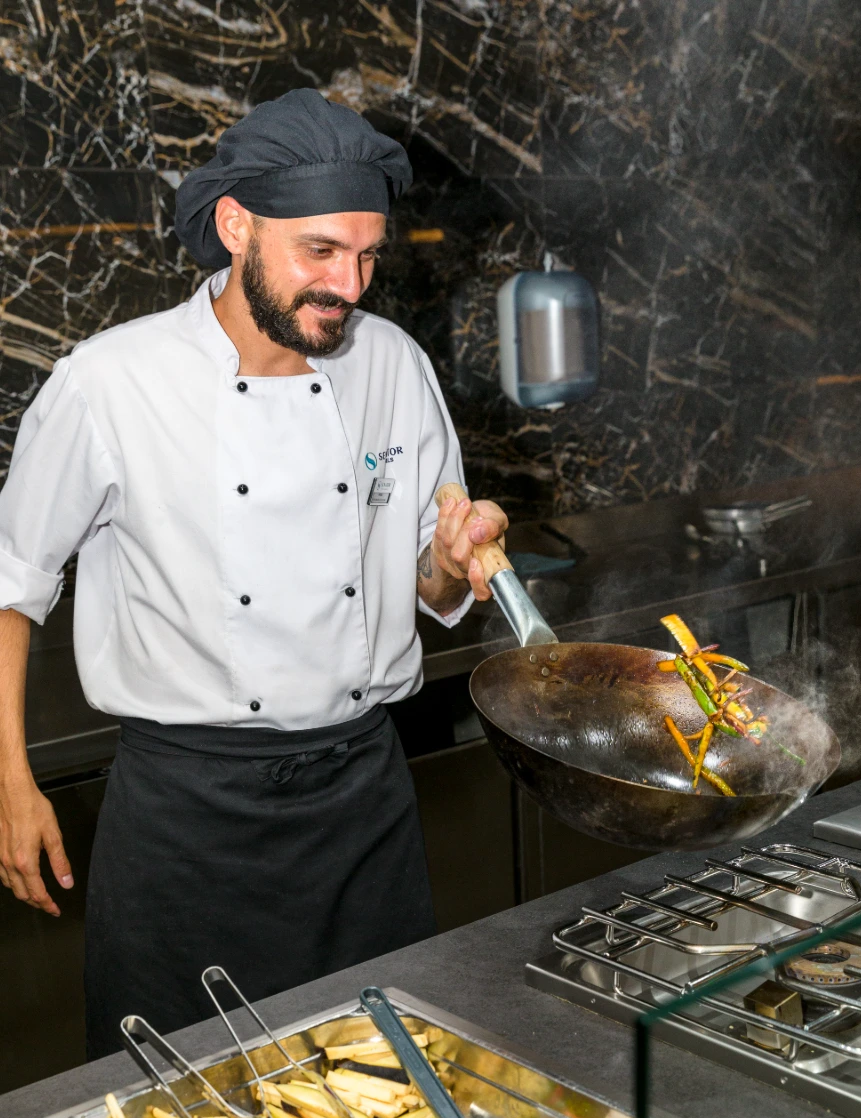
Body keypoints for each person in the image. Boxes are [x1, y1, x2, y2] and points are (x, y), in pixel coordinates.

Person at [0, 90, 508, 1058]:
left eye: (366, 257)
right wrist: (7, 783)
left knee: (391, 1099)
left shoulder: (393, 365)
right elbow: (8, 581)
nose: (349, 285)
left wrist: (447, 565)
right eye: (320, 251)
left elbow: (430, 593)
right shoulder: (112, 382)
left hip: (362, 802)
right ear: (236, 225)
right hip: (188, 823)